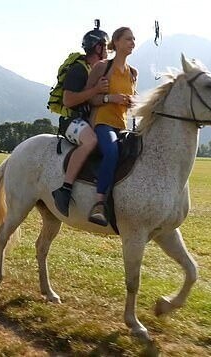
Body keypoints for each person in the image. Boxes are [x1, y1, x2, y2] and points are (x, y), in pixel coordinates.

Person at [52, 21, 110, 217]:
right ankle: (65, 189)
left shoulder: (100, 69)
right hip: (72, 121)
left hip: (88, 120)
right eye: (105, 47)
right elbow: (68, 100)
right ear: (98, 47)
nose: (107, 51)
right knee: (91, 141)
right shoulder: (78, 69)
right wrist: (95, 90)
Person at [85, 27, 138, 226]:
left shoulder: (133, 73)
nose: (132, 42)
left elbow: (134, 100)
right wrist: (110, 97)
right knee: (112, 151)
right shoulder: (102, 67)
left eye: (134, 39)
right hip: (102, 123)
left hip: (122, 125)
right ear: (115, 42)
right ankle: (99, 204)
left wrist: (132, 102)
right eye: (128, 39)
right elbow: (88, 98)